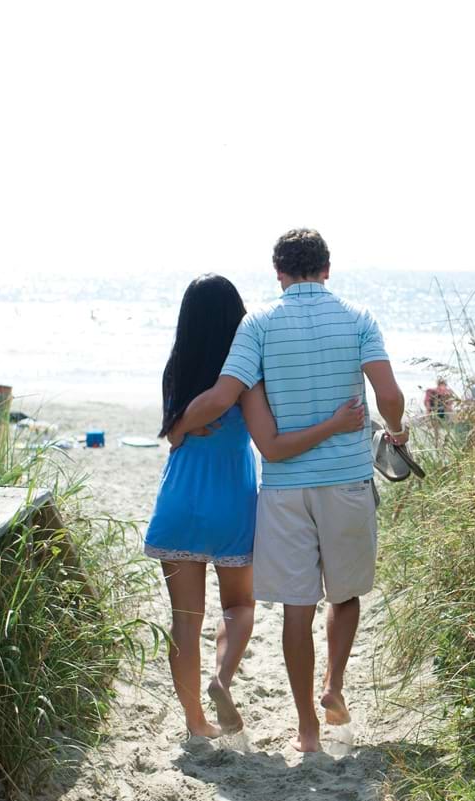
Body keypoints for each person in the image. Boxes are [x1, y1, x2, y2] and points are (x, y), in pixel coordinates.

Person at [166, 229, 407, 752]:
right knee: (344, 596)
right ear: (327, 268)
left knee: (296, 609)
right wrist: (397, 429)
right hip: (345, 481)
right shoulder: (360, 318)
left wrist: (177, 426)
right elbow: (388, 394)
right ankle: (334, 688)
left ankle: (307, 731)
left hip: (283, 490)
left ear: (279, 272)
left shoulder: (258, 325)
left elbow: (225, 395)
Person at [145, 274, 365, 746]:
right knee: (239, 606)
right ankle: (222, 677)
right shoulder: (245, 379)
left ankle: (196, 723)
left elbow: (175, 431)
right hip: (231, 503)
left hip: (179, 501)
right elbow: (270, 442)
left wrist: (178, 426)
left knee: (184, 618)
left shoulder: (175, 371)